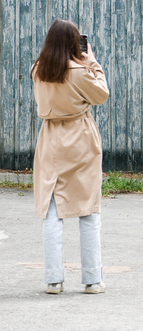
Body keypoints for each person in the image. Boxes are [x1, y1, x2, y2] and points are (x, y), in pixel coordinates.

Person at [31, 19, 110, 294]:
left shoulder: (38, 70)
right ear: (76, 43)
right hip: (81, 138)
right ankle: (92, 279)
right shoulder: (80, 71)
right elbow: (101, 95)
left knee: (52, 209)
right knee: (88, 209)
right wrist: (93, 62)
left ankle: (54, 279)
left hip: (51, 138)